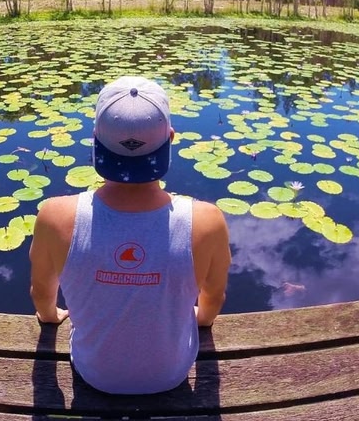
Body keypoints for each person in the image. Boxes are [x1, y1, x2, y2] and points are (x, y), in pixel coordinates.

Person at [29, 75, 231, 395]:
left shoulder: (54, 216)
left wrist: (50, 316)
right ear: (171, 138)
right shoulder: (208, 220)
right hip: (172, 376)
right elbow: (214, 297)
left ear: (95, 139)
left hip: (93, 373)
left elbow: (41, 291)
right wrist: (202, 319)